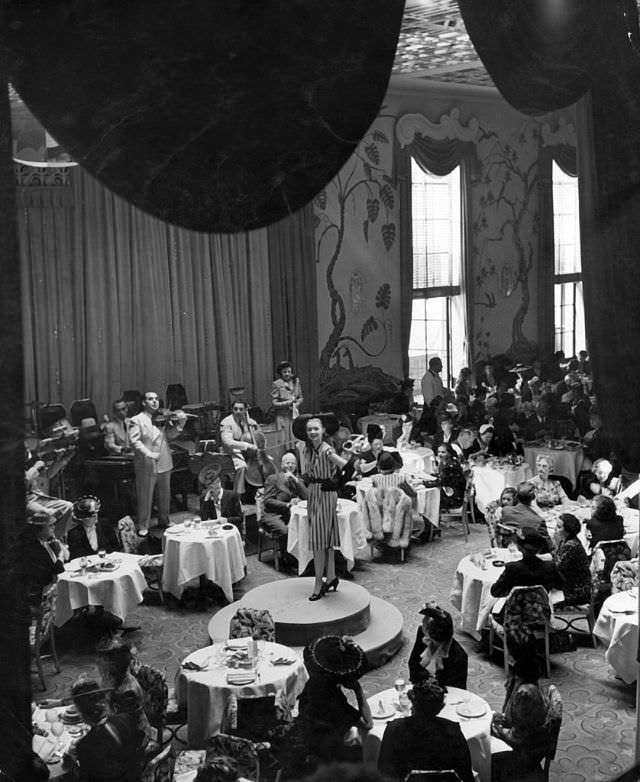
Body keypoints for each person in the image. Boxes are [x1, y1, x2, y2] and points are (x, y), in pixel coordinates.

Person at [294, 414, 351, 600]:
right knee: (325, 539)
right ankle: (332, 576)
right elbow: (306, 473)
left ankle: (318, 583)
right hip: (314, 494)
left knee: (319, 541)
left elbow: (348, 467)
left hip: (326, 494)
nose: (312, 432)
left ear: (323, 430)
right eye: (309, 429)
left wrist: (337, 483)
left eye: (316, 429)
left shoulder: (327, 450)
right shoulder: (308, 450)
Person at [377, 678, 474, 782]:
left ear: (412, 702)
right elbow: (465, 772)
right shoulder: (452, 730)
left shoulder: (394, 728)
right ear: (441, 707)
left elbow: (383, 770)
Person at [63, 675, 145, 782]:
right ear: (104, 701)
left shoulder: (85, 746)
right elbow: (139, 741)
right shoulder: (125, 718)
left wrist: (70, 762)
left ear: (81, 713)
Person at [128, 390, 187, 536]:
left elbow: (169, 436)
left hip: (164, 459)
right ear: (143, 402)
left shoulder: (163, 418)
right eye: (150, 399)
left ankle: (164, 519)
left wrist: (180, 424)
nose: (155, 402)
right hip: (146, 462)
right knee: (145, 494)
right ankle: (143, 524)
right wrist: (149, 454)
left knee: (165, 493)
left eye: (156, 399)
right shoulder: (136, 420)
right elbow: (134, 441)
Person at [95, 637, 156, 751]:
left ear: (112, 666)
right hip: (120, 728)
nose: (97, 663)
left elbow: (126, 728)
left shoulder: (126, 692)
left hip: (135, 739)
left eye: (101, 660)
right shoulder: (112, 679)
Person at [490, 681, 556, 781]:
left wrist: (497, 730)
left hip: (524, 758)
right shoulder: (535, 693)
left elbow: (516, 739)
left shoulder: (524, 696)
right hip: (537, 751)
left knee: (488, 758)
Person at [490, 527, 564, 600]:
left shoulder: (512, 568)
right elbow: (561, 585)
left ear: (519, 547)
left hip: (516, 609)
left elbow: (495, 592)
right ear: (539, 548)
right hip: (541, 608)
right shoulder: (550, 567)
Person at [408, 602, 468, 688]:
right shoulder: (422, 633)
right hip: (422, 687)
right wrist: (423, 682)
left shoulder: (459, 656)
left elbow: (456, 688)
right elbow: (413, 663)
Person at [220, 399, 266, 499]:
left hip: (247, 452)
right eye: (235, 409)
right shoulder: (226, 423)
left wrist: (256, 427)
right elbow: (228, 442)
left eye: (241, 409)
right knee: (242, 466)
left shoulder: (248, 420)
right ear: (232, 410)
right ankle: (237, 495)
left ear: (245, 410)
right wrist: (247, 445)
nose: (238, 411)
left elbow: (259, 434)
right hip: (231, 452)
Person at [21, 512, 69, 607]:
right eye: (50, 526)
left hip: (49, 587)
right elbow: (57, 569)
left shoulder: (44, 542)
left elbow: (67, 557)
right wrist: (59, 554)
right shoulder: (34, 548)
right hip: (40, 593)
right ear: (39, 530)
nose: (53, 528)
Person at [25, 456, 74, 539]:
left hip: (36, 498)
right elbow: (24, 482)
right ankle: (46, 541)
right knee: (48, 514)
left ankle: (55, 539)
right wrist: (35, 468)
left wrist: (60, 461)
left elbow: (46, 475)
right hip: (21, 502)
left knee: (68, 506)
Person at [262, 451, 308, 535]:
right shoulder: (273, 478)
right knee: (287, 531)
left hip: (292, 514)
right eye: (287, 463)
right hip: (273, 514)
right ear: (282, 465)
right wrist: (287, 505)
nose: (290, 465)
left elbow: (307, 497)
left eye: (293, 463)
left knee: (307, 527)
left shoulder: (298, 480)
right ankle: (284, 548)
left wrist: (296, 481)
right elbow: (268, 501)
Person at [499, 481, 552, 550]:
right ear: (533, 498)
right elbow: (548, 546)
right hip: (530, 553)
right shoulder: (538, 521)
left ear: (516, 497)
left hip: (510, 548)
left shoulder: (505, 511)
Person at [553, 513, 591, 605]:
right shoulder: (566, 541)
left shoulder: (571, 545)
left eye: (559, 527)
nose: (555, 529)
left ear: (567, 531)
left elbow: (556, 567)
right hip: (571, 583)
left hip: (576, 590)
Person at [196, 453, 243, 527]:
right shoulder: (204, 498)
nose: (216, 486)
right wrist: (206, 501)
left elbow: (240, 518)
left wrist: (227, 520)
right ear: (208, 487)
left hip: (228, 529)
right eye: (211, 485)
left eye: (217, 482)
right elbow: (204, 520)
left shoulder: (232, 495)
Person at [67, 496, 120, 561]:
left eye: (96, 513)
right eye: (92, 515)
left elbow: (116, 547)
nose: (96, 516)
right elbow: (74, 556)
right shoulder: (74, 533)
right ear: (83, 518)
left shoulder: (105, 525)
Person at [270, 361, 304, 451]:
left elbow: (300, 398)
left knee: (295, 440)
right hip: (282, 417)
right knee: (283, 442)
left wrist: (296, 405)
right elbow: (274, 403)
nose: (287, 374)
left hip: (293, 416)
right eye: (285, 372)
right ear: (281, 373)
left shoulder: (296, 381)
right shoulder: (277, 384)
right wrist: (288, 403)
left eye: (289, 371)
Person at [435, 444, 466, 511]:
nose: (440, 454)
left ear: (449, 453)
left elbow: (440, 481)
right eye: (439, 452)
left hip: (453, 499)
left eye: (443, 452)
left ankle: (431, 520)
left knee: (431, 499)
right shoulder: (446, 463)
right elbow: (441, 477)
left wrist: (423, 482)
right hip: (450, 493)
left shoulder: (451, 466)